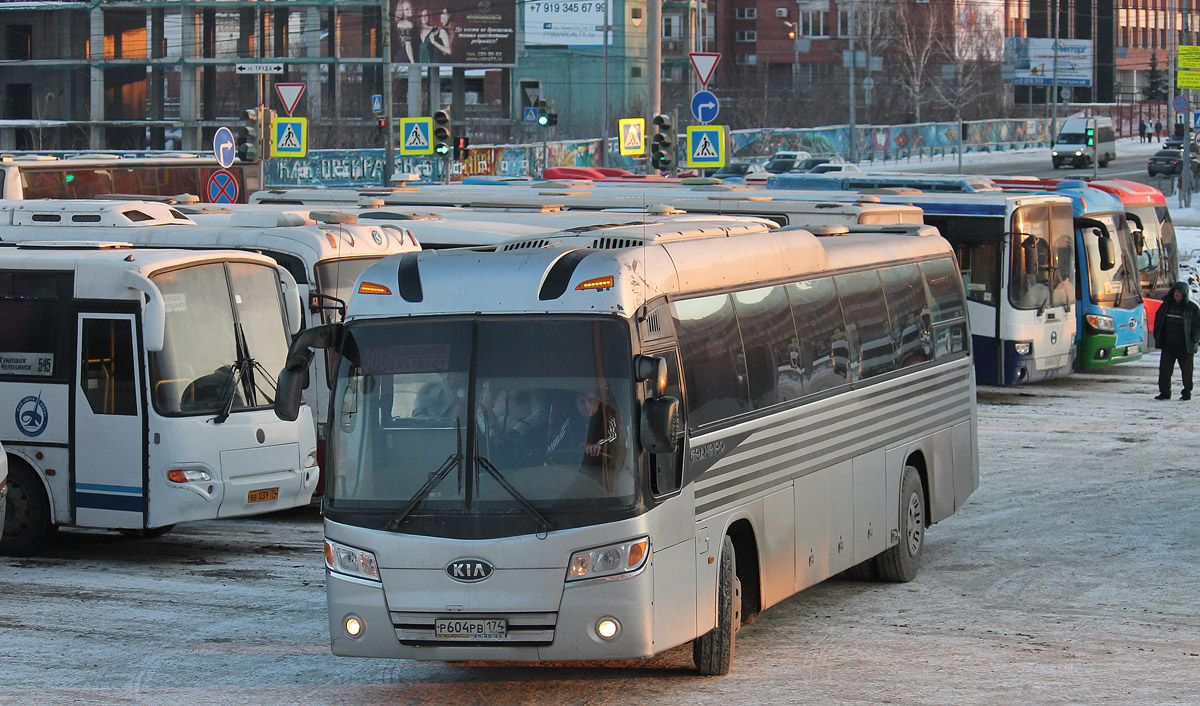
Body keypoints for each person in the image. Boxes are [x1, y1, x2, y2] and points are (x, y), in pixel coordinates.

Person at [545, 391, 624, 475]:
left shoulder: (609, 420)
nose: (587, 406)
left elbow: (615, 439)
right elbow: (553, 449)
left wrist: (599, 446)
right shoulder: (570, 423)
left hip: (602, 474)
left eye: (591, 400)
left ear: (598, 402)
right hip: (573, 473)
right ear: (576, 404)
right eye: (582, 401)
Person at [1153, 282, 1200, 400]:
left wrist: (1194, 338)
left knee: (1187, 371)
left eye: (1179, 292)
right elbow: (1158, 321)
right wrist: (1157, 335)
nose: (1177, 294)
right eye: (1175, 292)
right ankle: (1164, 393)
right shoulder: (1166, 306)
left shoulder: (1192, 308)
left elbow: (1197, 325)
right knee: (1164, 371)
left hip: (1185, 346)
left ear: (1184, 294)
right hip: (1168, 345)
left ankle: (1186, 393)